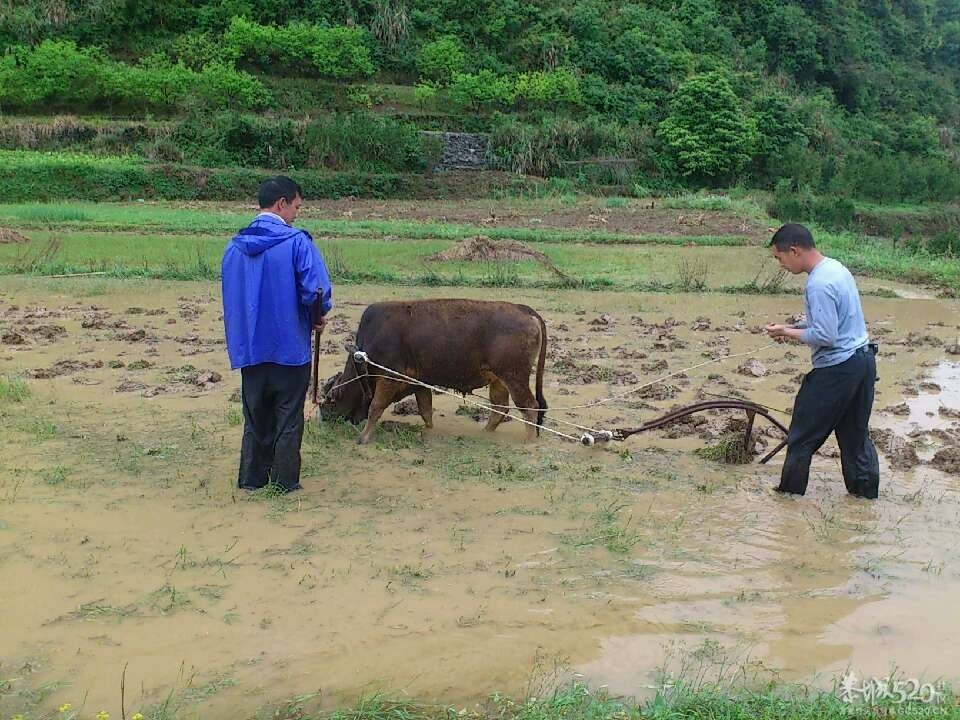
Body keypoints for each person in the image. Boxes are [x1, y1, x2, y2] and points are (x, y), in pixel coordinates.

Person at [221, 176, 332, 493]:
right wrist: (317, 317)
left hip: (250, 349)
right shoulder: (298, 243)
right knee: (288, 417)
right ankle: (284, 483)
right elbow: (316, 292)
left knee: (255, 416)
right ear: (281, 203)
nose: (297, 214)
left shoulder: (234, 248)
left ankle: (252, 480)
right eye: (296, 207)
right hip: (290, 349)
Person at [765, 223, 879, 499]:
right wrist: (791, 327)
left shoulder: (818, 283)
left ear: (794, 251)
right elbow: (830, 322)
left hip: (837, 369)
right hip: (863, 361)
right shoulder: (836, 269)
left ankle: (788, 501)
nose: (781, 265)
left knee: (801, 438)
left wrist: (788, 333)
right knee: (854, 438)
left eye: (780, 258)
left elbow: (826, 335)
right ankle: (865, 501)